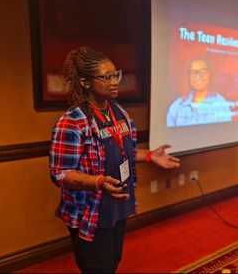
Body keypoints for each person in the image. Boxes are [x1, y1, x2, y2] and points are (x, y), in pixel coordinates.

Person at [49, 46, 180, 273]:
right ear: (85, 82)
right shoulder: (72, 122)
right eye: (106, 77)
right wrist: (97, 182)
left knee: (113, 262)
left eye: (115, 74)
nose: (114, 81)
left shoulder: (120, 112)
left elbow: (126, 151)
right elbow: (59, 172)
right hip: (91, 211)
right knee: (98, 268)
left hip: (118, 205)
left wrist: (149, 156)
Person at [166, 57, 232, 127]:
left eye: (203, 72)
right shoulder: (177, 105)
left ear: (210, 75)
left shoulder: (220, 103)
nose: (197, 77)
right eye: (193, 73)